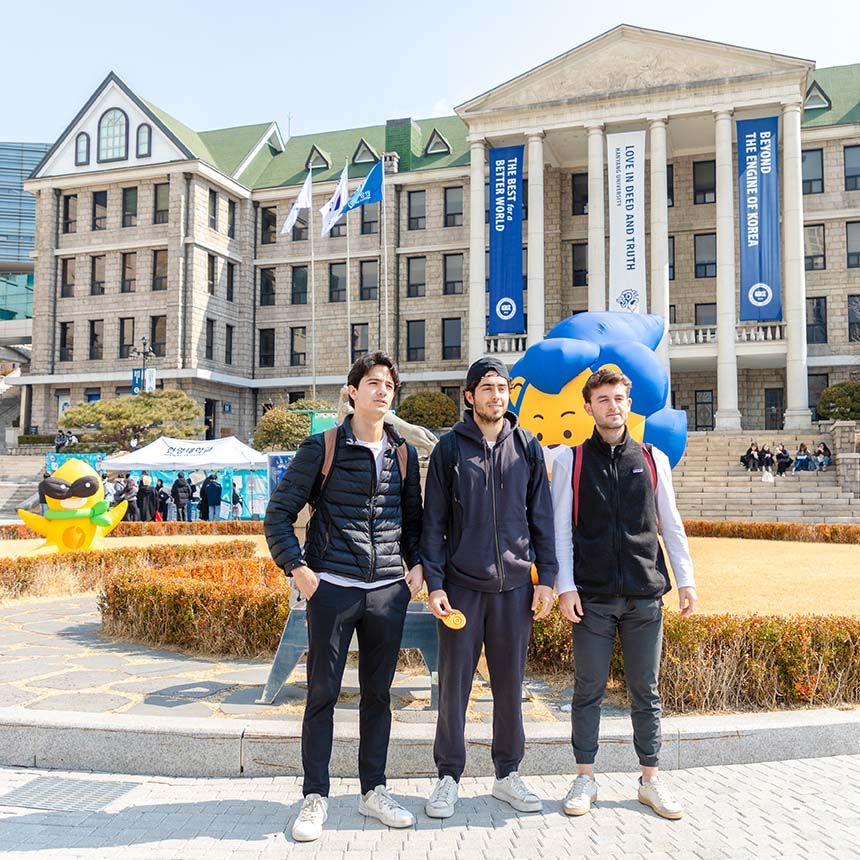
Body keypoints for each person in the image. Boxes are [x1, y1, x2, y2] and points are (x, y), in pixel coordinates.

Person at [264, 352, 423, 843]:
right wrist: (299, 571)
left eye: (389, 386)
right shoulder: (322, 447)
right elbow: (278, 514)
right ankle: (315, 795)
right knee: (322, 695)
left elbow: (413, 520)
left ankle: (373, 790)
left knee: (378, 697)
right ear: (352, 392)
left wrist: (415, 566)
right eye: (372, 383)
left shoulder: (403, 453)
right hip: (332, 589)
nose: (382, 391)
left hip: (387, 595)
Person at [551, 368, 697, 821]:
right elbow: (560, 529)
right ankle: (585, 777)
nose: (613, 406)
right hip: (591, 598)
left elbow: (669, 523)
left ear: (629, 404)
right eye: (603, 399)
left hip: (643, 594)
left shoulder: (653, 459)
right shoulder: (570, 460)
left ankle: (650, 780)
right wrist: (565, 587)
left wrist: (687, 579)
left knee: (645, 691)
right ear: (589, 407)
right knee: (587, 689)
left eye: (619, 398)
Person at [421, 357, 557, 820]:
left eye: (502, 388)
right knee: (454, 687)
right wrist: (435, 583)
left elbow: (542, 518)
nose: (496, 396)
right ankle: (447, 777)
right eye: (486, 388)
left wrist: (548, 579)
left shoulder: (528, 447)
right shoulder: (448, 450)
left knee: (509, 685)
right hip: (461, 587)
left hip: (515, 588)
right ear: (469, 396)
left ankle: (507, 775)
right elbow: (433, 522)